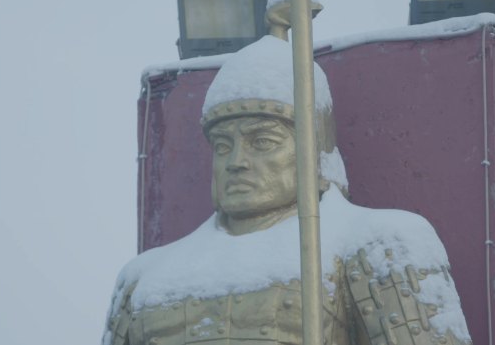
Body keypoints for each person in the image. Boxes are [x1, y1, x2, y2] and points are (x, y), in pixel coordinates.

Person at [102, 35, 472, 345]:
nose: (236, 162)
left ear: (313, 149)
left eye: (262, 142)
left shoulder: (377, 245)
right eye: (223, 146)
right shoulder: (142, 280)